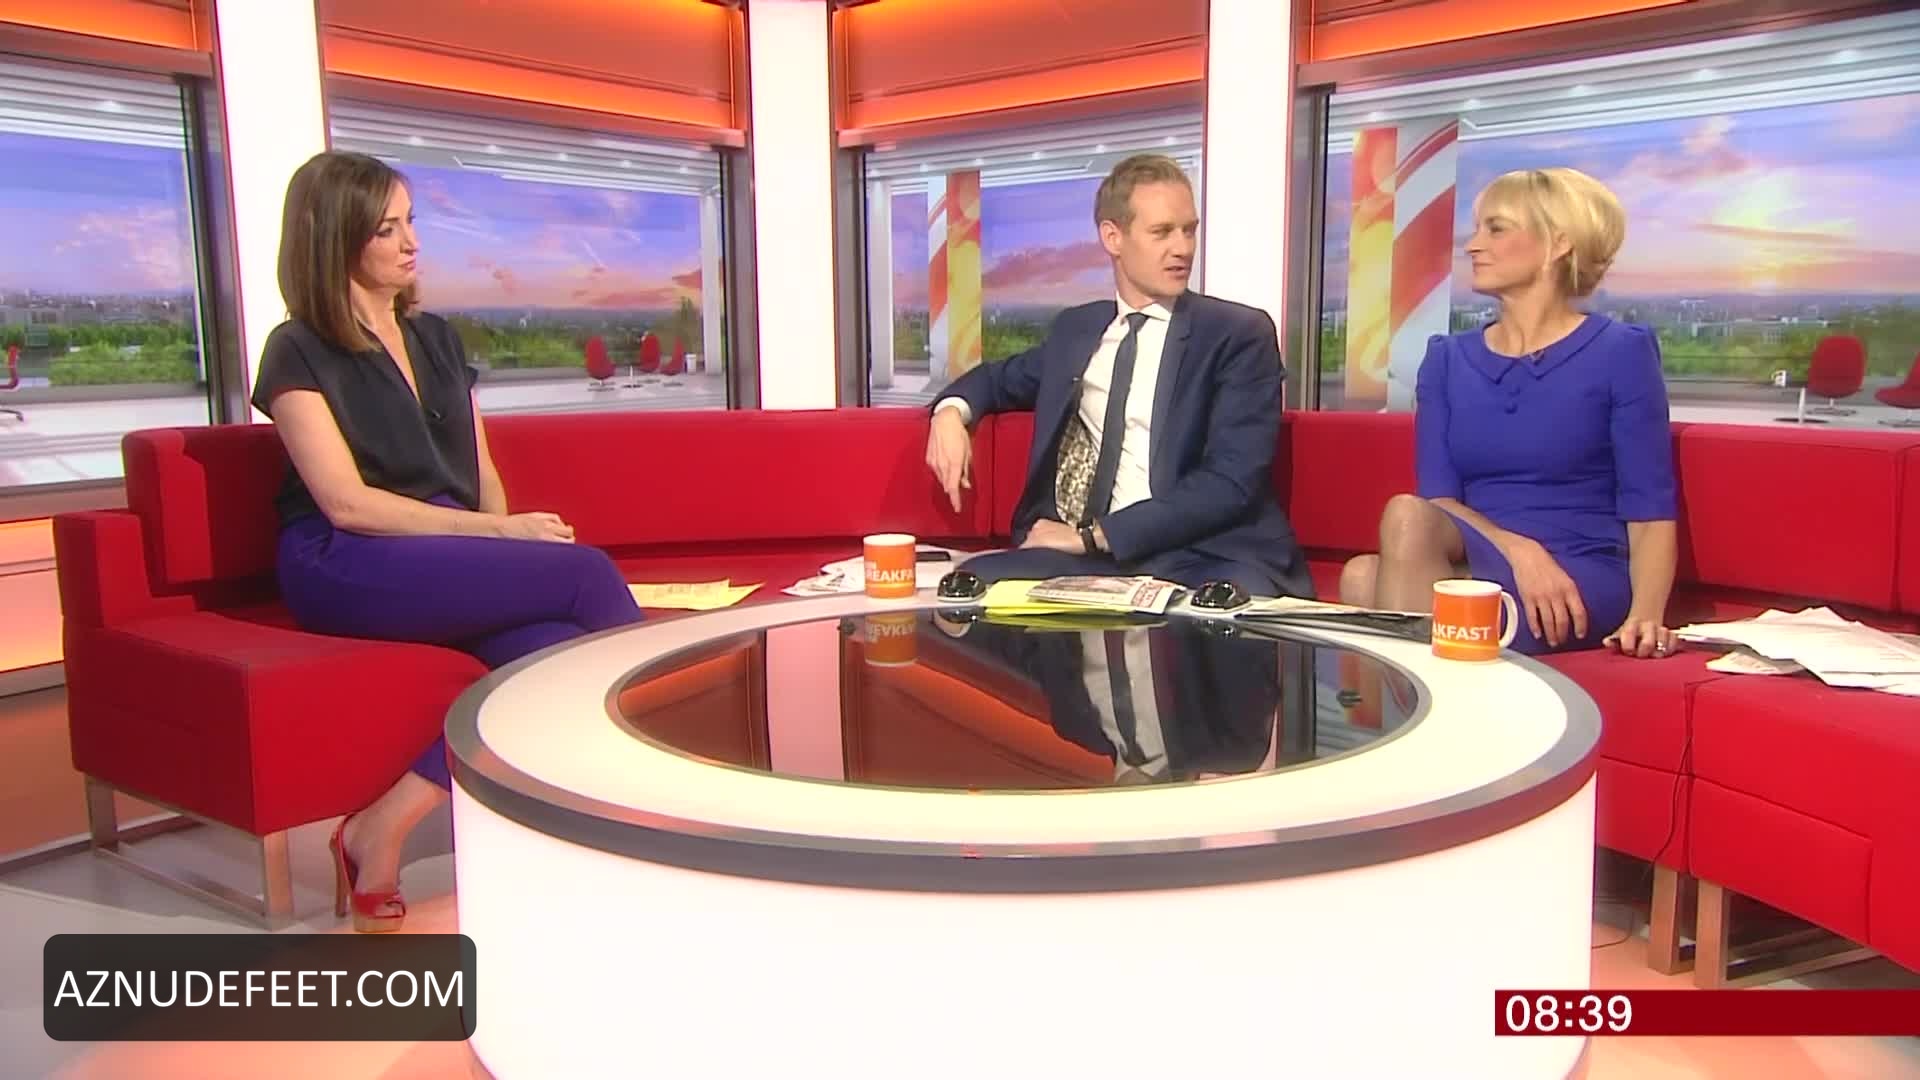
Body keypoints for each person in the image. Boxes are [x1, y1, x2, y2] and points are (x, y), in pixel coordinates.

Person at [250, 151, 643, 931]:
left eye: (411, 222)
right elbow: (346, 504)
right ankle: (657, 805)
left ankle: (381, 826)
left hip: (440, 547)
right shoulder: (296, 348)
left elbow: (479, 470)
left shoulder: (436, 338)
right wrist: (501, 535)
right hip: (345, 558)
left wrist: (507, 545)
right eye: (385, 229)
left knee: (553, 652)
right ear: (335, 239)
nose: (411, 243)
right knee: (587, 574)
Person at [924, 154, 1311, 600]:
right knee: (969, 590)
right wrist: (950, 414)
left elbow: (1230, 482)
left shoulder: (1237, 334)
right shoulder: (1078, 330)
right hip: (1097, 558)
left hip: (1207, 554)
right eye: (1162, 232)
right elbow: (996, 380)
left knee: (1210, 619)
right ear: (1113, 237)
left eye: (1189, 230)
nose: (1183, 248)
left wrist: (1094, 535)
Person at [1338, 167, 1678, 658]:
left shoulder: (1621, 352)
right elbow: (1438, 500)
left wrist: (1645, 616)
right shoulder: (1447, 360)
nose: (1473, 245)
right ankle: (1438, 701)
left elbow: (1649, 508)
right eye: (1477, 230)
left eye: (1495, 229)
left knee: (1370, 584)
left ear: (1558, 243)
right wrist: (1518, 549)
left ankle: (1417, 703)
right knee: (1383, 545)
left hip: (1577, 571)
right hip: (1487, 554)